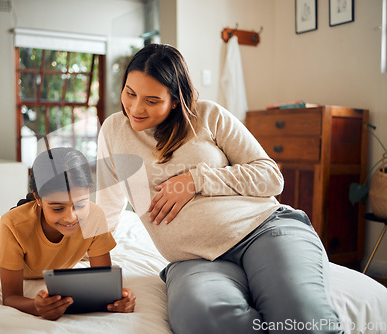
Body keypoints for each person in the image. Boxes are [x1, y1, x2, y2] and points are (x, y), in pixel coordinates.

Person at [96, 43, 343, 333]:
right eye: (130, 93)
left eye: (151, 100)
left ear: (175, 100)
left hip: (262, 230)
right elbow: (105, 206)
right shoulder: (114, 131)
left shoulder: (209, 115)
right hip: (193, 260)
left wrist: (196, 180)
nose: (136, 108)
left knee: (302, 319)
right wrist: (71, 256)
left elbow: (271, 176)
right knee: (202, 320)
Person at [0, 147, 135, 320]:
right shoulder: (13, 225)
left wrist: (121, 299)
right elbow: (10, 297)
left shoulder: (95, 216)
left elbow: (102, 283)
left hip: (12, 224)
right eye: (58, 208)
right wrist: (35, 306)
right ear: (38, 198)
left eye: (80, 204)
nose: (71, 217)